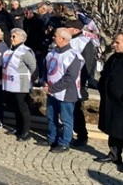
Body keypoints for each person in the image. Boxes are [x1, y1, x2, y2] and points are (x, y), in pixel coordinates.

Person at [41, 27, 84, 153]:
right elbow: (46, 70)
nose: (53, 37)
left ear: (63, 39)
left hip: (66, 93)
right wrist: (44, 81)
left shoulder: (73, 55)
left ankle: (65, 142)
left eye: (56, 36)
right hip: (52, 91)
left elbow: (70, 77)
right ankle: (52, 138)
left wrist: (53, 88)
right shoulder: (52, 53)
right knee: (51, 116)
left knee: (66, 119)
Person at [2, 28, 37, 141]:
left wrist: (31, 81)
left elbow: (33, 67)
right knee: (16, 107)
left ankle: (26, 131)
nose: (11, 38)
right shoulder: (9, 51)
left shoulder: (25, 51)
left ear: (21, 39)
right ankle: (18, 128)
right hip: (11, 84)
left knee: (23, 108)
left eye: (14, 36)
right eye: (11, 36)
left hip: (21, 85)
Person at [94, 33, 123, 169]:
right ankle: (114, 154)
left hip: (121, 102)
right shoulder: (113, 58)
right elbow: (105, 75)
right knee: (114, 129)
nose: (114, 45)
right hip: (111, 101)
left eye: (117, 42)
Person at [66, 19, 96, 147]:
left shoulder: (84, 43)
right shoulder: (67, 40)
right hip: (65, 81)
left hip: (78, 83)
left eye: (68, 27)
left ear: (75, 29)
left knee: (76, 110)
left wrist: (83, 83)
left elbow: (87, 65)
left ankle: (82, 135)